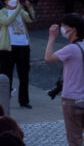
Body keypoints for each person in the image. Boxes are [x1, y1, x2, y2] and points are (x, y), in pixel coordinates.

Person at [44, 14, 84, 146]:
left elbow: (48, 58)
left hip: (72, 99)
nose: (61, 29)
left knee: (75, 138)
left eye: (63, 26)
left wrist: (51, 37)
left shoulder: (71, 49)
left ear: (72, 29)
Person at [0, 0, 33, 108]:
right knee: (6, 75)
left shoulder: (20, 10)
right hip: (8, 47)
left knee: (24, 75)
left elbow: (30, 19)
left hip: (23, 46)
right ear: (5, 1)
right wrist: (18, 8)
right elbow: (6, 21)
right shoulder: (1, 12)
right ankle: (4, 100)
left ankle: (24, 100)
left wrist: (29, 7)